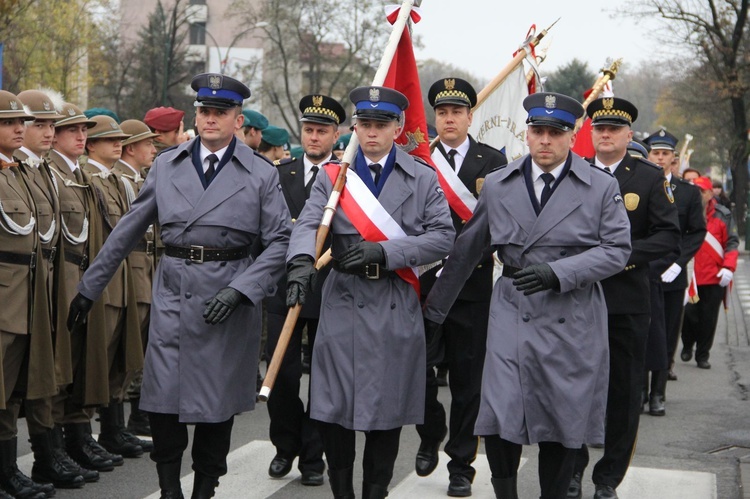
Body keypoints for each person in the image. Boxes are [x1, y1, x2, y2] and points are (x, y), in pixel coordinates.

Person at [67, 73, 291, 499]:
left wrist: (243, 289)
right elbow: (127, 230)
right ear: (196, 114)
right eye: (204, 111)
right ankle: (170, 490)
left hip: (229, 298)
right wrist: (88, 288)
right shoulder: (168, 166)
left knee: (216, 411)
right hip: (174, 295)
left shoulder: (260, 173)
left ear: (237, 120)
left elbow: (280, 240)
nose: (210, 119)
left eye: (220, 113)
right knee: (163, 405)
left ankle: (204, 489)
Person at [423, 92, 632, 499]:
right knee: (501, 413)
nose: (545, 141)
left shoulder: (600, 187)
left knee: (561, 418)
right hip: (512, 308)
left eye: (556, 133)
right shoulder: (501, 184)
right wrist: (434, 313)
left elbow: (616, 250)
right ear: (527, 134)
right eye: (538, 131)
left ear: (573, 137)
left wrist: (558, 273)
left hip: (572, 313)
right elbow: (468, 250)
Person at [286, 85, 454, 499]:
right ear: (354, 127)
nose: (372, 133)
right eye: (365, 125)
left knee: (387, 412)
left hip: (395, 300)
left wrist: (385, 250)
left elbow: (442, 237)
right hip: (342, 298)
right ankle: (342, 491)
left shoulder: (421, 176)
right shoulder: (335, 175)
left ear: (398, 127)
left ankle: (375, 492)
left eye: (382, 125)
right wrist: (301, 261)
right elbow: (310, 223)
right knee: (333, 410)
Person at [569, 98, 680, 499]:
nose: (605, 135)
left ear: (628, 135)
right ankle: (571, 471)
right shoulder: (573, 172)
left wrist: (620, 259)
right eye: (599, 128)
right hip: (577, 300)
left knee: (623, 391)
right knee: (574, 389)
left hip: (627, 299)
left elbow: (668, 236)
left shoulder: (649, 178)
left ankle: (607, 477)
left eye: (614, 129)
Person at [415, 77, 507, 497]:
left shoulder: (494, 160)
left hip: (471, 288)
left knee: (469, 381)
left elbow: (500, 221)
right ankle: (430, 428)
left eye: (457, 112)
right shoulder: (418, 158)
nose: (449, 119)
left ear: (472, 116)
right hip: (423, 285)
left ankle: (461, 464)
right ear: (435, 117)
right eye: (442, 112)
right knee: (419, 373)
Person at [264, 94, 344, 487]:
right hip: (284, 283)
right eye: (309, 130)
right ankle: (285, 445)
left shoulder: (346, 175)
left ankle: (314, 457)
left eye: (322, 131)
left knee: (324, 379)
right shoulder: (280, 171)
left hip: (328, 287)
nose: (314, 137)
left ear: (337, 134)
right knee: (281, 375)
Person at [15, 90, 88, 492]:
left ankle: (50, 451)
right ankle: (42, 454)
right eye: (38, 124)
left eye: (49, 124)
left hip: (51, 280)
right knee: (20, 379)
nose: (46, 132)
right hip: (22, 287)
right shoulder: (23, 172)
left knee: (50, 370)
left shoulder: (40, 171)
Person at [47, 103, 120, 477]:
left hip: (88, 276)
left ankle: (77, 435)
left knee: (82, 361)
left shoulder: (79, 175)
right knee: (60, 364)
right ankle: (55, 445)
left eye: (83, 130)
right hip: (62, 279)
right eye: (71, 130)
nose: (81, 135)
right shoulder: (53, 174)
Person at [0, 90, 56, 499]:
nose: (19, 128)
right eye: (7, 122)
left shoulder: (18, 171)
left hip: (25, 297)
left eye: (21, 121)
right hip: (3, 300)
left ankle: (7, 472)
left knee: (11, 393)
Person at [645, 130, 706, 387]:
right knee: (642, 332)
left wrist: (679, 263)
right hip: (643, 271)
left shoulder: (688, 192)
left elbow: (696, 232)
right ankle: (640, 391)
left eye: (665, 154)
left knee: (668, 334)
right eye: (655, 153)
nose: (660, 158)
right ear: (648, 155)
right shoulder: (638, 185)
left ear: (674, 158)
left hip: (672, 273)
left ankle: (658, 392)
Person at [113, 119, 160, 437]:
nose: (154, 150)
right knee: (121, 347)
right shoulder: (118, 180)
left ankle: (122, 422)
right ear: (132, 148)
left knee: (136, 347)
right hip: (130, 269)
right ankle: (113, 424)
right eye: (148, 144)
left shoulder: (139, 179)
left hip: (147, 266)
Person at [680, 176, 738, 369]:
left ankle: (703, 355)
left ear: (710, 193)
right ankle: (687, 345)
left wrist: (728, 268)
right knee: (689, 315)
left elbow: (731, 242)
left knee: (708, 318)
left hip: (714, 276)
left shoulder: (723, 215)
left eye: (702, 191)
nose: (698, 195)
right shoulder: (684, 211)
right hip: (691, 275)